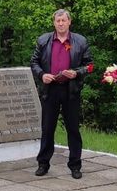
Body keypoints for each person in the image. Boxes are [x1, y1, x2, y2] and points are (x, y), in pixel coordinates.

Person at [30, 9, 93, 179]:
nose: (60, 24)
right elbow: (34, 62)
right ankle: (43, 163)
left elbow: (90, 65)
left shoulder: (80, 41)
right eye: (57, 21)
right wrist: (42, 75)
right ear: (54, 23)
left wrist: (77, 73)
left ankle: (75, 165)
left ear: (69, 22)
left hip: (70, 90)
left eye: (63, 20)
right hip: (50, 90)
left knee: (73, 128)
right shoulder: (43, 40)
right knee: (47, 128)